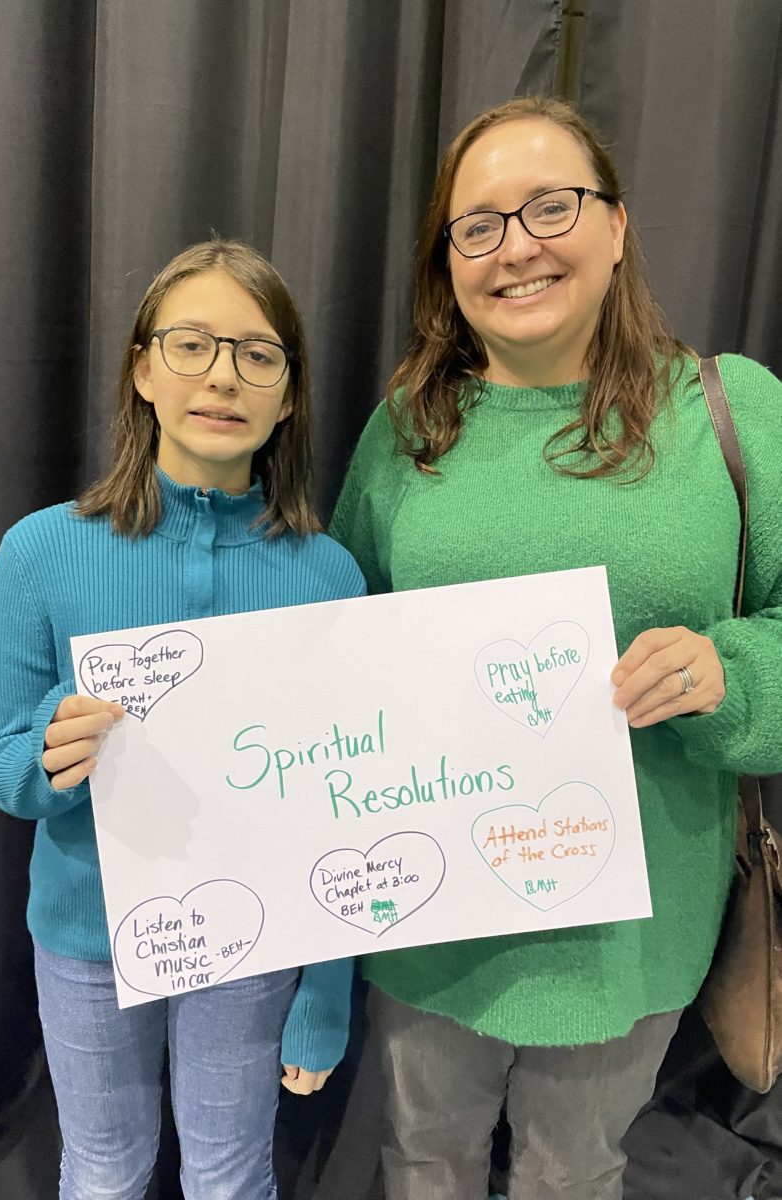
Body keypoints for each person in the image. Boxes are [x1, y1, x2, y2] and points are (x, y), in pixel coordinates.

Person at [330, 95, 782, 1200]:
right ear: (447, 260)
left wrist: (730, 676)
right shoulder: (404, 430)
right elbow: (336, 654)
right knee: (420, 1159)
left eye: (552, 206)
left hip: (634, 930)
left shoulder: (730, 410)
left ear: (617, 226)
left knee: (575, 1172)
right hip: (431, 919)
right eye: (478, 225)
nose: (517, 246)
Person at [0, 240, 365, 1200]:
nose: (222, 377)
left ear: (289, 395)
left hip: (254, 941)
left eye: (258, 354)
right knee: (104, 1170)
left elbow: (345, 807)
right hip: (87, 936)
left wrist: (325, 994)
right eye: (191, 345)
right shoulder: (41, 552)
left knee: (229, 1175)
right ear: (142, 370)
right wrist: (50, 753)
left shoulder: (328, 577)